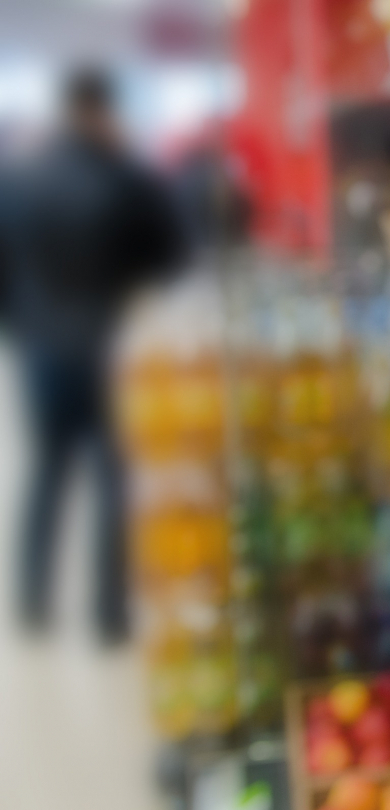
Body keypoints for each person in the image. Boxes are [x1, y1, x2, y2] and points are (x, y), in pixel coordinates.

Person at [0, 68, 186, 643]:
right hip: (108, 347)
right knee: (112, 479)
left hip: (43, 349)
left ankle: (33, 600)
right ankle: (110, 614)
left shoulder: (22, 180)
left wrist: (22, 324)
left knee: (48, 472)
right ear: (103, 112)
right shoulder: (124, 178)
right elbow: (168, 254)